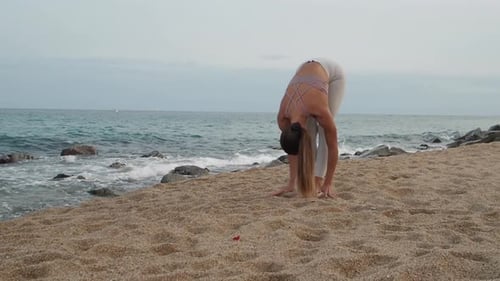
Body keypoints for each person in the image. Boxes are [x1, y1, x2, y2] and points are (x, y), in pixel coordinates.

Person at [273, 58, 345, 198]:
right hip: (305, 74)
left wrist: (328, 183)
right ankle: (306, 180)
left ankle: (319, 180)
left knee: (324, 133)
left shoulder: (318, 108)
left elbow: (332, 145)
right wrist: (291, 182)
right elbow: (293, 149)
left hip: (332, 72)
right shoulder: (283, 119)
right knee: (307, 134)